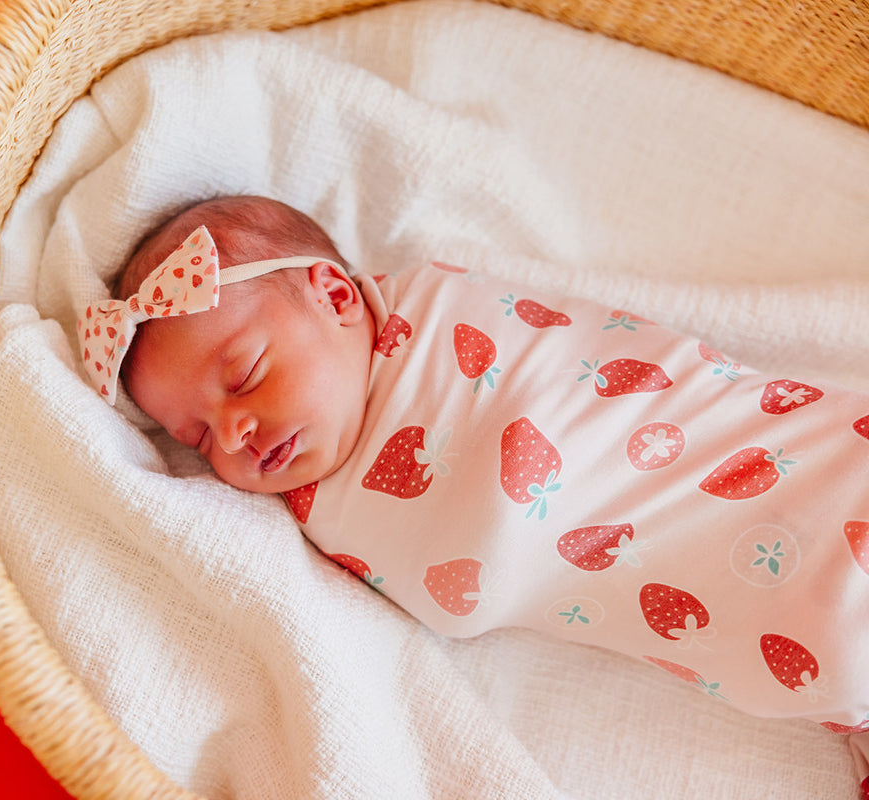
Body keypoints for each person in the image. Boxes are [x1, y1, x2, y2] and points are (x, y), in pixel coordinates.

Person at [78, 195, 869, 777]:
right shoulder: (310, 517)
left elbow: (566, 389)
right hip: (812, 668)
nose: (236, 435)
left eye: (245, 375)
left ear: (336, 295)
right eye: (198, 438)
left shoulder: (436, 317)